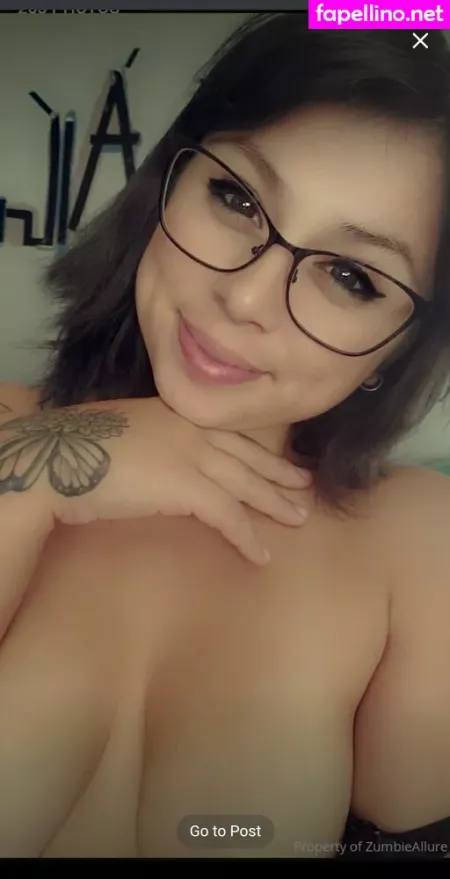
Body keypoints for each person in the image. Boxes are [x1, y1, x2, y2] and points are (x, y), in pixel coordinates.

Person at [0, 12, 449, 860]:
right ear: (167, 183)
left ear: (401, 347)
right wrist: (49, 470)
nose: (244, 299)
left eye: (351, 276)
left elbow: (413, 837)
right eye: (238, 198)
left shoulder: (420, 541)